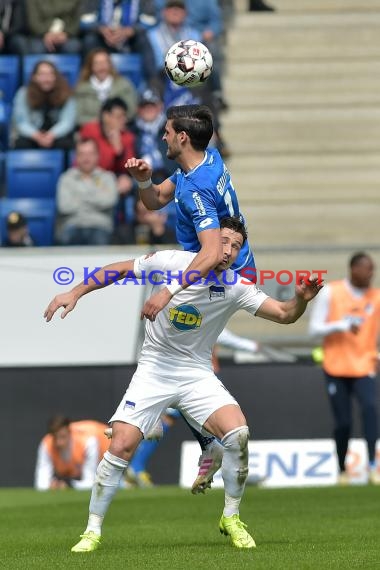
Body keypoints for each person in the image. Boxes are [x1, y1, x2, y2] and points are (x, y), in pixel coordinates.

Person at [44, 217, 322, 551]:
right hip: (154, 370)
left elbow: (283, 313)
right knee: (119, 446)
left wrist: (302, 299)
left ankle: (230, 517)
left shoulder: (235, 286)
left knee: (238, 433)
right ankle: (92, 531)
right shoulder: (170, 262)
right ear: (207, 239)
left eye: (236, 245)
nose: (230, 251)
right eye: (224, 241)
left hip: (196, 373)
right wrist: (74, 292)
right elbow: (118, 269)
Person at [125, 103, 255, 488]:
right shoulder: (203, 160)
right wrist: (145, 181)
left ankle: (156, 420)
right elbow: (154, 200)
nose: (162, 136)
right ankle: (204, 436)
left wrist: (167, 291)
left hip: (213, 271)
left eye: (167, 131)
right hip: (218, 266)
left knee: (167, 357)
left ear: (182, 137)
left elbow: (213, 252)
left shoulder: (197, 186)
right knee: (184, 359)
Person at [308, 252, 380, 485]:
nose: (370, 274)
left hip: (364, 365)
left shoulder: (376, 297)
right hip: (336, 366)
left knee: (370, 411)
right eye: (366, 269)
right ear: (353, 269)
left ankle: (373, 467)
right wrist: (342, 324)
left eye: (372, 270)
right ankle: (342, 470)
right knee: (344, 422)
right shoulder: (332, 292)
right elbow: (313, 330)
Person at [55, 138, 119, 246]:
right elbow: (64, 206)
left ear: (97, 155)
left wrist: (78, 197)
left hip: (100, 227)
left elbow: (110, 201)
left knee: (100, 240)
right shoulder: (66, 178)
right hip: (72, 226)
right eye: (82, 154)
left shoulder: (108, 177)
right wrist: (96, 197)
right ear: (76, 157)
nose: (86, 158)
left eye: (90, 154)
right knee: (66, 239)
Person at [11, 60, 76, 150]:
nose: (46, 79)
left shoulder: (66, 93)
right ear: (34, 77)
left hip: (57, 136)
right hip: (33, 135)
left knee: (66, 144)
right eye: (42, 75)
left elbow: (67, 122)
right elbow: (21, 122)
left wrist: (51, 135)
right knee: (21, 143)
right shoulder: (23, 94)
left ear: (55, 77)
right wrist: (37, 136)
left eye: (50, 74)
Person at [34, 415, 110, 490]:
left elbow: (90, 483)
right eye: (55, 438)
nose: (59, 443)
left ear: (69, 432)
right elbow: (41, 484)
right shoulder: (46, 444)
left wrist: (68, 484)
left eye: (63, 436)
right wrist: (53, 486)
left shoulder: (88, 442)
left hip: (112, 451)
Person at [80, 97, 136, 197]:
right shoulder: (89, 130)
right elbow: (93, 161)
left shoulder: (127, 137)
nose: (124, 120)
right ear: (106, 116)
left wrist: (119, 150)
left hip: (113, 181)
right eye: (119, 117)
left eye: (124, 116)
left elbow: (129, 169)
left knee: (126, 182)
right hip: (89, 175)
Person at [75, 48, 138, 127]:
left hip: (119, 128)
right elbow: (77, 117)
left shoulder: (124, 85)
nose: (101, 66)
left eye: (104, 62)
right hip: (92, 130)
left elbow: (131, 111)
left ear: (110, 64)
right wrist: (102, 121)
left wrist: (114, 121)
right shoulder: (82, 89)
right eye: (97, 63)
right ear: (91, 66)